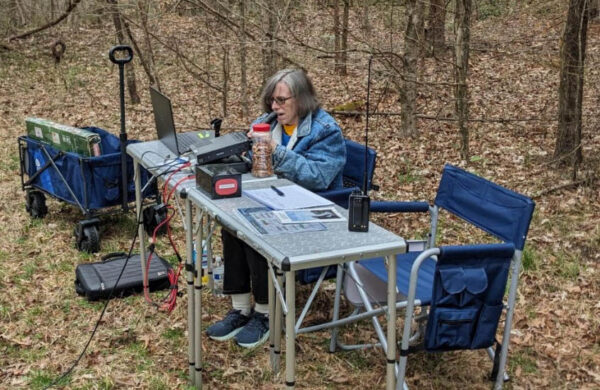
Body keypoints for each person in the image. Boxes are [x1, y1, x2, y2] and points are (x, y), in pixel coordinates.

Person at [206, 69, 346, 348]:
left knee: (257, 226)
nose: (274, 107)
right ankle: (241, 307)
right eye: (272, 100)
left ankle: (265, 314)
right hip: (274, 199)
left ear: (302, 99)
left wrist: (274, 151)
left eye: (282, 100)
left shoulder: (326, 130)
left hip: (314, 212)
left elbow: (318, 177)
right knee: (232, 219)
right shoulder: (265, 123)